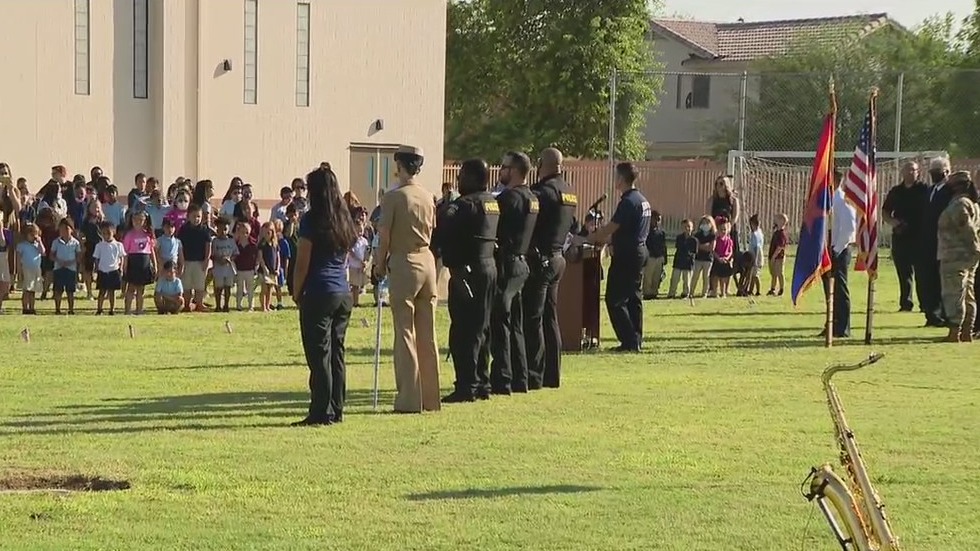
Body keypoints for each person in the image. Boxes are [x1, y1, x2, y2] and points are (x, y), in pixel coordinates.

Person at [372, 145, 441, 413]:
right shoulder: (428, 196)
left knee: (405, 332)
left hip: (404, 262)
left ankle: (409, 399)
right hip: (427, 261)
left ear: (399, 166)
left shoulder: (393, 198)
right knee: (428, 333)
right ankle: (430, 398)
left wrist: (379, 265)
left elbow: (385, 237)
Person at [290, 166, 358, 426]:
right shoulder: (343, 219)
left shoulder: (311, 220)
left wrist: (297, 291)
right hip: (341, 291)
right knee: (336, 353)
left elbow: (303, 261)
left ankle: (321, 410)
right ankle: (336, 407)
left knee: (319, 356)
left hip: (318, 291)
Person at [434, 159, 499, 403]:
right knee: (482, 327)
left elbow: (444, 233)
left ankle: (467, 385)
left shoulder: (463, 205)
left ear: (472, 178)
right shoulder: (492, 202)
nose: (458, 180)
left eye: (461, 175)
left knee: (464, 330)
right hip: (489, 267)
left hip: (467, 271)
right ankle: (482, 381)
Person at [586, 162, 651, 352]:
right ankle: (636, 339)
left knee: (614, 299)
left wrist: (590, 237)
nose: (614, 180)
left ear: (621, 179)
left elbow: (611, 228)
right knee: (633, 297)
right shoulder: (642, 199)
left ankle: (629, 340)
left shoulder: (628, 201)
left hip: (627, 254)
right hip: (639, 251)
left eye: (616, 176)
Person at [524, 148, 576, 385]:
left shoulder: (543, 192)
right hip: (558, 258)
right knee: (550, 318)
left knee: (534, 318)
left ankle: (535, 374)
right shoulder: (568, 191)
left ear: (541, 164)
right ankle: (552, 373)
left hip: (541, 259)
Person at [489, 151, 538, 395]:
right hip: (522, 263)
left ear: (516, 170)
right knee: (516, 324)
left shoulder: (509, 198)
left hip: (507, 263)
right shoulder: (533, 198)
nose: (501, 170)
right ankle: (521, 377)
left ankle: (503, 378)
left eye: (505, 166)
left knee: (500, 322)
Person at [936, 171, 980, 342]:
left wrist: (973, 246)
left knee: (954, 294)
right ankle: (967, 330)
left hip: (955, 255)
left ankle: (956, 331)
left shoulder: (959, 205)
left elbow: (967, 229)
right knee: (968, 293)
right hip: (967, 256)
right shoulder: (973, 204)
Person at [882, 161, 928, 312]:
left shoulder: (924, 190)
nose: (910, 172)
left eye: (913, 170)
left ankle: (925, 304)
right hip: (901, 237)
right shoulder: (896, 191)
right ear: (902, 172)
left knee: (922, 273)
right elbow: (886, 211)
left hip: (920, 237)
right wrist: (894, 222)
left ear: (918, 172)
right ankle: (906, 304)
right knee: (903, 272)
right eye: (907, 170)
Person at [821, 171, 858, 339]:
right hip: (827, 249)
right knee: (828, 289)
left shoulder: (843, 200)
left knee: (839, 288)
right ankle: (831, 324)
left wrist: (837, 249)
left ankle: (843, 327)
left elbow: (850, 228)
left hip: (839, 249)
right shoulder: (826, 200)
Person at [920, 156, 953, 327]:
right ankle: (932, 315)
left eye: (937, 171)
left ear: (946, 172)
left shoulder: (949, 192)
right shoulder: (929, 190)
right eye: (932, 171)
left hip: (944, 242)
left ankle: (947, 315)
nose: (933, 174)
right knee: (929, 279)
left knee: (943, 281)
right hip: (928, 243)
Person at [176, 204, 213, 312]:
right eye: (194, 216)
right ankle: (187, 305)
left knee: (199, 285)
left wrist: (206, 259)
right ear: (188, 216)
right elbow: (180, 246)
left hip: (200, 262)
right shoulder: (183, 230)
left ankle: (199, 304)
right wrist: (181, 261)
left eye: (198, 216)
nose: (196, 219)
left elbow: (208, 245)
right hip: (187, 261)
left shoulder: (204, 230)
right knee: (186, 285)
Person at [122, 211, 156, 315]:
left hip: (144, 262)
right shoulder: (129, 235)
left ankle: (139, 310)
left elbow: (151, 251)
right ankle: (127, 310)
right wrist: (125, 266)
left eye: (140, 220)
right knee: (131, 288)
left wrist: (155, 265)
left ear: (145, 221)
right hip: (133, 261)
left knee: (141, 289)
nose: (137, 222)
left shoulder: (148, 235)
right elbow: (125, 252)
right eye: (135, 219)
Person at [93, 221, 125, 315]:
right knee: (102, 291)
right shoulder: (99, 245)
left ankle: (112, 309)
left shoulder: (118, 245)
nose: (106, 235)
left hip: (114, 270)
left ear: (113, 232)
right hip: (103, 270)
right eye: (103, 233)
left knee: (112, 292)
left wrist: (121, 268)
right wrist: (96, 269)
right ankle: (99, 309)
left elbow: (121, 257)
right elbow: (96, 258)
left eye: (108, 233)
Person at [50, 218, 82, 315]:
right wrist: (59, 261)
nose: (64, 231)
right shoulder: (56, 242)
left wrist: (72, 262)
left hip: (70, 269)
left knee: (70, 291)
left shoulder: (75, 243)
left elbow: (79, 256)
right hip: (59, 268)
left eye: (66, 229)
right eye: (62, 229)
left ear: (71, 230)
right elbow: (51, 255)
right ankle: (57, 309)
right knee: (58, 290)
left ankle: (71, 309)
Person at [211, 218, 239, 312]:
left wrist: (229, 259)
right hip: (218, 268)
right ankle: (218, 305)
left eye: (225, 229)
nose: (223, 232)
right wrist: (219, 259)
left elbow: (236, 253)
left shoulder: (231, 241)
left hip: (229, 268)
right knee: (218, 287)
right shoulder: (214, 241)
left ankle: (226, 305)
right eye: (220, 229)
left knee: (227, 287)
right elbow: (212, 254)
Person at [16, 224, 45, 315]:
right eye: (31, 235)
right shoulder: (22, 246)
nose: (34, 237)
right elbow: (18, 258)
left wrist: (39, 242)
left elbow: (43, 252)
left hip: (36, 270)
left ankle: (32, 307)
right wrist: (19, 270)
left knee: (33, 291)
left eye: (35, 234)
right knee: (26, 290)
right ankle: (25, 308)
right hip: (26, 269)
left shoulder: (37, 245)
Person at [708, 175, 740, 251]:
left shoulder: (733, 200)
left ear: (727, 185)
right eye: (717, 184)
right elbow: (708, 216)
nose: (719, 186)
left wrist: (727, 228)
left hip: (729, 230)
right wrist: (716, 229)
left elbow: (735, 217)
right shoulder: (712, 200)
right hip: (715, 230)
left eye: (721, 183)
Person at [666, 219, 697, 298]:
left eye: (689, 227)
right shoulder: (679, 238)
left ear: (692, 228)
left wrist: (690, 259)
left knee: (687, 280)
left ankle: (685, 293)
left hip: (688, 263)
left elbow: (694, 252)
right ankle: (672, 293)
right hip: (678, 261)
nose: (687, 228)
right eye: (685, 227)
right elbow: (678, 248)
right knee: (674, 279)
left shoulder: (694, 240)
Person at [233, 220, 259, 311]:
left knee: (250, 289)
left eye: (247, 232)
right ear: (239, 232)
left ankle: (251, 306)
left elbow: (258, 256)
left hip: (250, 269)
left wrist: (257, 265)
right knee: (239, 288)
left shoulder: (253, 244)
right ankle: (238, 305)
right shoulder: (235, 244)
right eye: (242, 232)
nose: (245, 234)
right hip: (239, 269)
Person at [642, 211, 667, 300]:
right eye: (655, 219)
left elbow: (664, 246)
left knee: (657, 276)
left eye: (658, 220)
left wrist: (665, 257)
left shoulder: (661, 233)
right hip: (650, 256)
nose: (656, 222)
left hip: (659, 256)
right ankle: (647, 293)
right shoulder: (646, 231)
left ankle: (654, 292)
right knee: (648, 276)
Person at [257, 222, 281, 312]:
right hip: (264, 270)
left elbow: (278, 257)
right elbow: (260, 257)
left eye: (268, 233)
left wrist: (277, 268)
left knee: (270, 289)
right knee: (264, 289)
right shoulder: (262, 244)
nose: (266, 235)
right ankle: (263, 307)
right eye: (264, 232)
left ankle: (268, 306)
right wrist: (264, 267)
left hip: (273, 270)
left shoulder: (275, 244)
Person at [691, 215, 716, 297]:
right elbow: (696, 246)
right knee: (695, 276)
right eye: (703, 222)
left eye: (707, 222)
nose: (705, 224)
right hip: (698, 258)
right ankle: (691, 292)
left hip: (708, 259)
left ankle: (704, 293)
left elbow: (711, 248)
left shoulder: (713, 236)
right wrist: (704, 246)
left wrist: (702, 246)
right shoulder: (697, 234)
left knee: (706, 277)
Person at [767, 213, 788, 296]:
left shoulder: (781, 234)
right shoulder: (776, 232)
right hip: (774, 256)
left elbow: (780, 247)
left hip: (779, 257)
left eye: (777, 219)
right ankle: (772, 289)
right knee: (774, 274)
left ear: (782, 221)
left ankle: (781, 289)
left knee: (780, 273)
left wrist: (774, 257)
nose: (775, 220)